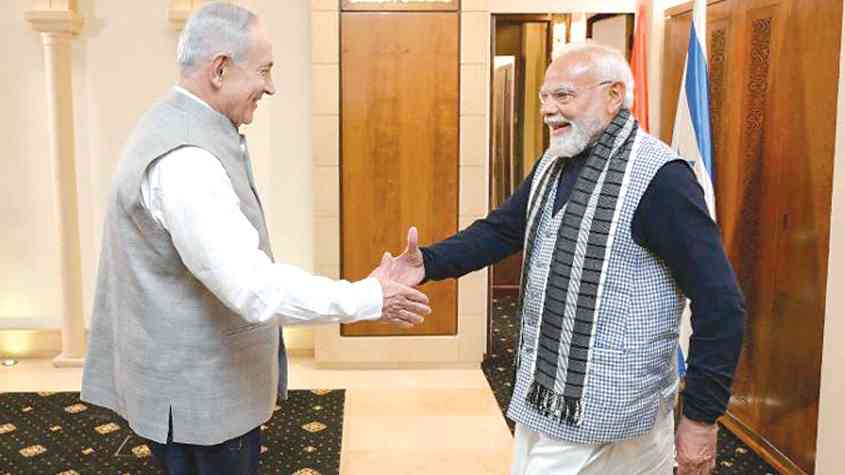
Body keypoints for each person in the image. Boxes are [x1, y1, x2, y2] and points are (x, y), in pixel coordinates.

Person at [80, 3, 430, 474]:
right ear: (220, 69)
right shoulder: (187, 161)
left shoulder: (172, 123)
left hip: (190, 394)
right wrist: (370, 297)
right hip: (199, 406)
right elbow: (254, 289)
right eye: (264, 70)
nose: (271, 86)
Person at [381, 42, 745, 475]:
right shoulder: (556, 162)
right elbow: (502, 230)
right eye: (544, 97)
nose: (548, 110)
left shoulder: (662, 179)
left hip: (617, 406)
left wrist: (701, 418)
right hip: (550, 394)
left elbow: (721, 303)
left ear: (614, 95)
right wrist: (428, 263)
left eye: (564, 96)